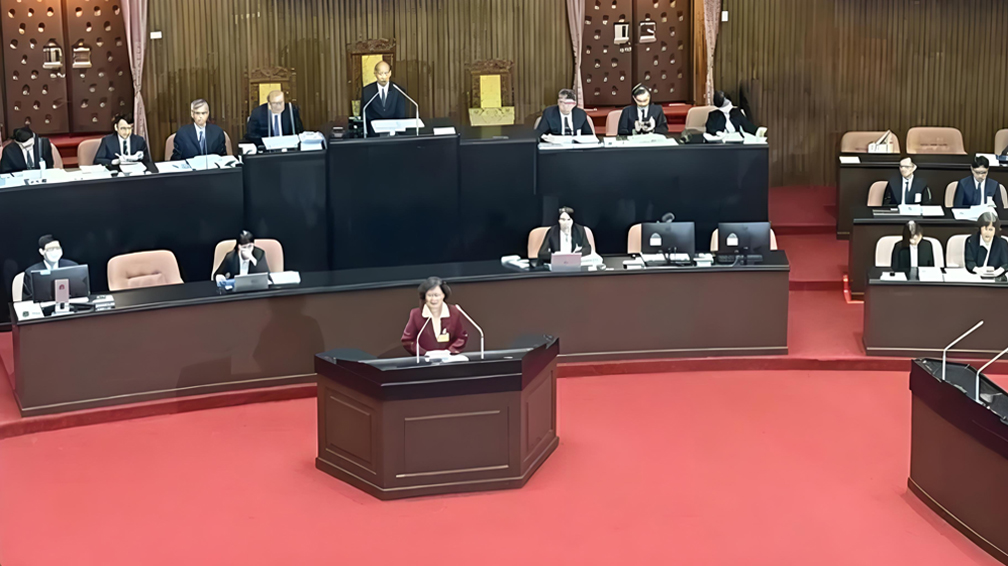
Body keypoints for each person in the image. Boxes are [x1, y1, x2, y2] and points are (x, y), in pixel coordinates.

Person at [401, 276, 469, 356]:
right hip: (425, 360)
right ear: (425, 297)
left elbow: (461, 337)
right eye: (430, 295)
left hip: (449, 359)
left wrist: (449, 352)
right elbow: (407, 340)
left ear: (443, 295)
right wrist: (425, 353)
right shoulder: (416, 314)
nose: (433, 299)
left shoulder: (454, 312)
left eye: (436, 295)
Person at [22, 234, 79, 302]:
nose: (55, 252)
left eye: (57, 248)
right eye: (50, 249)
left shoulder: (73, 266)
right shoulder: (31, 272)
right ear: (42, 251)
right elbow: (28, 300)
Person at [359, 61, 407, 135]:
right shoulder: (367, 91)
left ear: (390, 73)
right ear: (375, 73)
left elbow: (401, 114)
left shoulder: (398, 90)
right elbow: (364, 114)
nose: (383, 77)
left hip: (394, 133)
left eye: (386, 73)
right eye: (380, 74)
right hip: (373, 134)